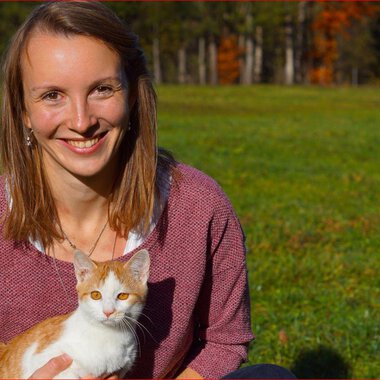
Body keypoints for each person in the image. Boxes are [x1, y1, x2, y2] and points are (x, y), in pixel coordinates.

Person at [0, 2, 295, 379]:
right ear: (22, 109)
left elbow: (225, 341)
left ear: (134, 95)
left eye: (102, 89)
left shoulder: (198, 206)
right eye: (52, 95)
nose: (81, 120)